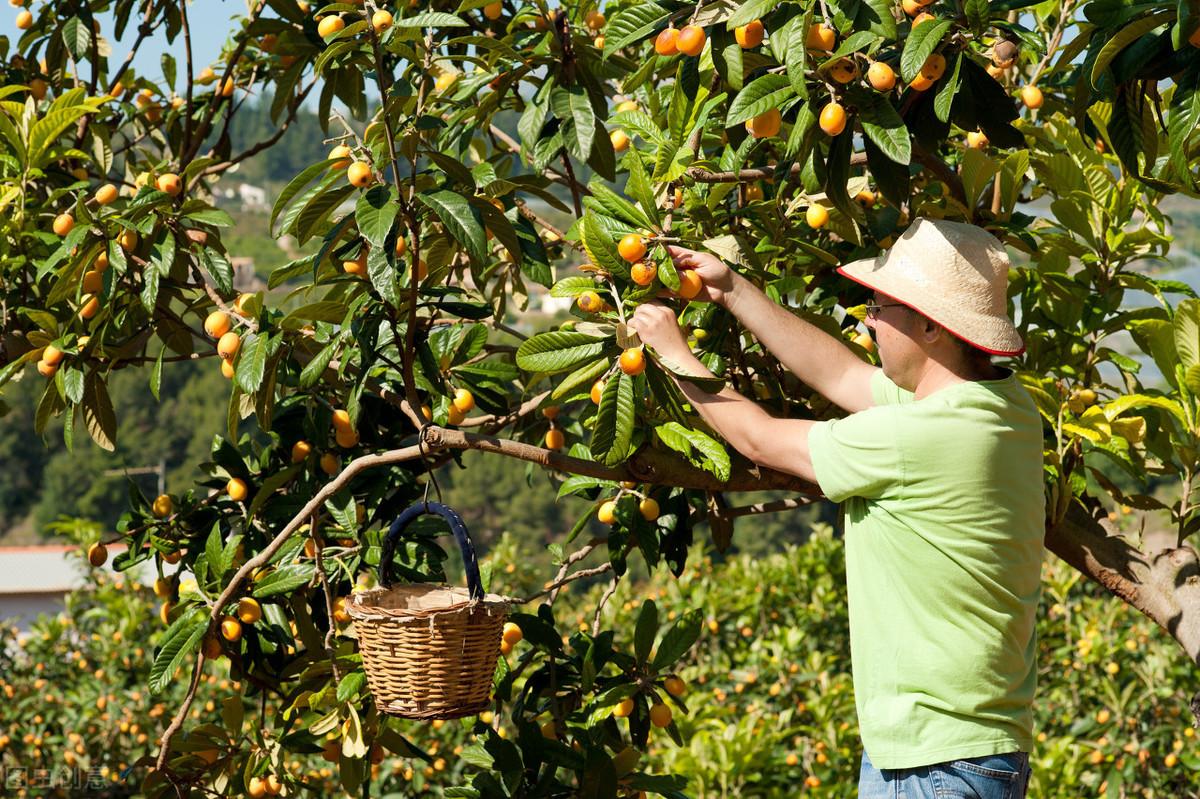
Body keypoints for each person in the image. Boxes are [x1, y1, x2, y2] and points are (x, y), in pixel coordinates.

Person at [631, 218, 1043, 798]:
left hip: (931, 765)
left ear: (930, 326)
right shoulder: (1003, 407)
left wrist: (674, 354)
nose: (868, 319)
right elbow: (844, 375)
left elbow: (758, 440)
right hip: (973, 751)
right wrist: (732, 290)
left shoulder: (918, 438)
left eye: (881, 307)